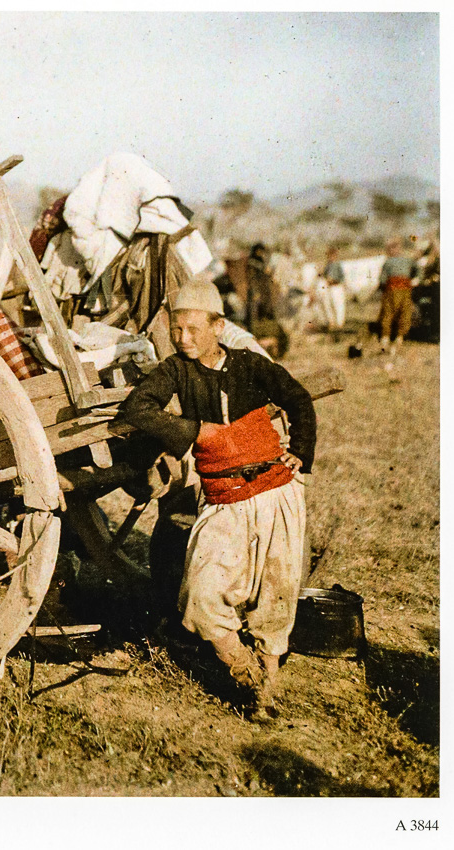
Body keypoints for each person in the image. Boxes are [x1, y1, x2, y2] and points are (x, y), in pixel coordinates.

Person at [120, 279, 316, 720]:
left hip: (276, 494)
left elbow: (299, 399)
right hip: (224, 499)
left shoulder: (249, 365)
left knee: (276, 594)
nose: (183, 338)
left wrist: (301, 451)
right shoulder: (176, 370)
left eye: (193, 329)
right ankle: (244, 670)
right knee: (202, 594)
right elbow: (138, 409)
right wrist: (195, 430)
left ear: (218, 326)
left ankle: (267, 690)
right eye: (176, 329)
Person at [377, 237, 416, 355]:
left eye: (393, 248)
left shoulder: (407, 261)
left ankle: (398, 338)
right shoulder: (388, 262)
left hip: (403, 290)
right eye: (390, 249)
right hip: (392, 289)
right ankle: (386, 338)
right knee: (389, 313)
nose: (392, 251)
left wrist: (416, 280)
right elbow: (382, 279)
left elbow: (418, 270)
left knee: (403, 313)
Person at [321, 246, 347, 333]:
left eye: (332, 255)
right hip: (330, 287)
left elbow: (341, 278)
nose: (330, 257)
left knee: (338, 305)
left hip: (337, 287)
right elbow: (324, 275)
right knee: (328, 305)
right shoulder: (328, 265)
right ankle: (331, 322)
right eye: (329, 255)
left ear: (335, 255)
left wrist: (333, 281)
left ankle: (339, 324)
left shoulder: (338, 264)